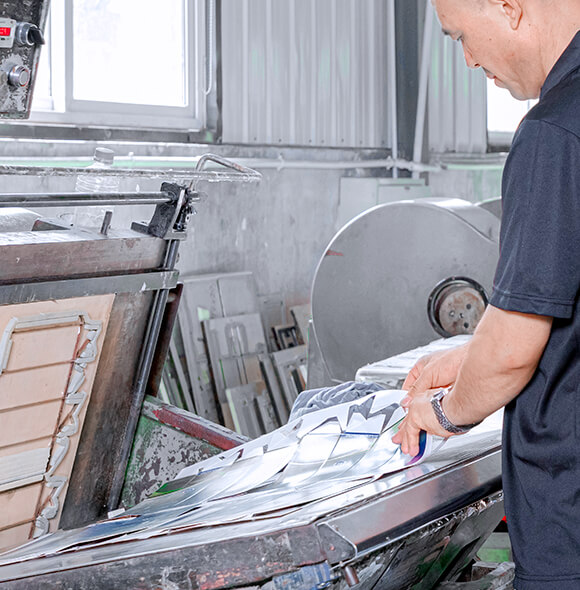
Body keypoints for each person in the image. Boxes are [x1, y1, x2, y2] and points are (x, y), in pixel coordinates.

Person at [391, 1, 580, 588]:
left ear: (507, 7)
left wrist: (444, 411)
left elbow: (514, 352)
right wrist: (465, 358)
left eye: (461, 38)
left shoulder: (556, 130)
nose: (471, 61)